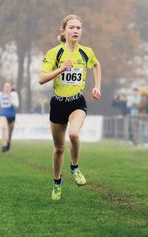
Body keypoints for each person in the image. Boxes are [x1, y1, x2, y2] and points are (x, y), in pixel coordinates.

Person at [39, 14, 101, 201]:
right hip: (58, 104)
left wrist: (97, 86)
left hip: (76, 102)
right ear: (63, 31)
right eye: (72, 27)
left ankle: (74, 167)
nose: (75, 31)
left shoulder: (86, 52)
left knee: (73, 134)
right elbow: (41, 79)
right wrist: (60, 69)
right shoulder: (54, 53)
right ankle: (57, 183)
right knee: (58, 148)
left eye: (78, 28)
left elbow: (96, 65)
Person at [0, 82, 19, 153]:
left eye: (8, 87)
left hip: (12, 115)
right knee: (4, 127)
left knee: (10, 133)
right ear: (3, 88)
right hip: (3, 114)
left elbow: (16, 105)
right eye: (5, 87)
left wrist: (9, 97)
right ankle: (4, 145)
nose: (7, 88)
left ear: (11, 88)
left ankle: (8, 142)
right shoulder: (0, 95)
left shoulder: (14, 94)